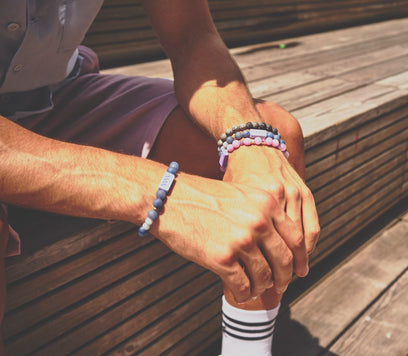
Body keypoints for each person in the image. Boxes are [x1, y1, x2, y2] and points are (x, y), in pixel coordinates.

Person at [0, 0, 320, 355]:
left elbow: (190, 36)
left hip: (56, 93)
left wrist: (247, 140)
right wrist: (164, 194)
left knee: (275, 144)